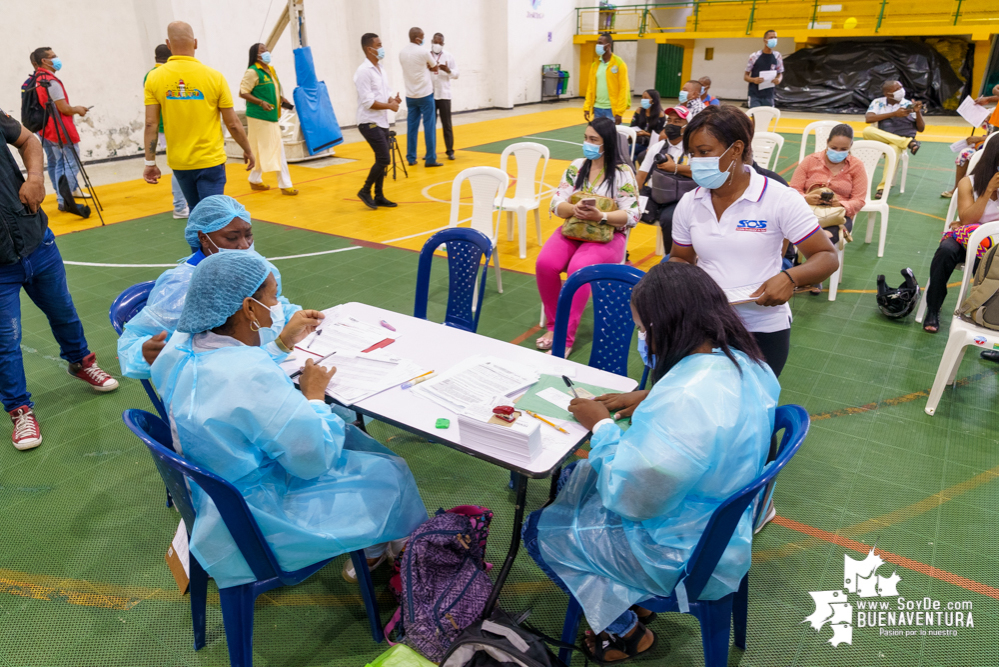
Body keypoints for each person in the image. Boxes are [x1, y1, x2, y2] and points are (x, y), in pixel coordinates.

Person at [523, 261, 779, 663]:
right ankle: (629, 603)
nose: (643, 338)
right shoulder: (749, 363)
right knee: (578, 479)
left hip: (680, 550)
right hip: (721, 526)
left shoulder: (682, 402)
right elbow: (711, 410)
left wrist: (602, 426)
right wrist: (646, 396)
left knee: (541, 530)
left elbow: (632, 498)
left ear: (668, 326)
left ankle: (624, 632)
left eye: (644, 329)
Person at [150, 251, 427, 588]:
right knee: (390, 473)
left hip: (211, 501)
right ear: (250, 308)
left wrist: (281, 344)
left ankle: (380, 546)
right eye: (271, 295)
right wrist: (313, 395)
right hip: (257, 518)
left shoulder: (178, 348)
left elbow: (220, 378)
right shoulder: (249, 374)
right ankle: (398, 556)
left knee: (345, 434)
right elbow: (312, 459)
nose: (278, 303)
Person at [669, 105, 838, 378]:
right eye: (692, 154)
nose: (695, 162)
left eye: (704, 152)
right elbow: (680, 257)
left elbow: (827, 256)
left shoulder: (779, 198)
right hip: (704, 325)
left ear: (735, 150)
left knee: (747, 409)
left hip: (762, 327)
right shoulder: (691, 202)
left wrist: (789, 278)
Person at [0, 108, 118, 451]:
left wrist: (35, 176)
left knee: (63, 311)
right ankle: (20, 410)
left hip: (36, 240)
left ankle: (81, 362)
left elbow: (29, 140)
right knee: (6, 343)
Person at [117, 195, 301, 379]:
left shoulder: (252, 266)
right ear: (204, 238)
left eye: (249, 235)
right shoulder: (180, 287)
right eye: (231, 238)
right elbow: (131, 344)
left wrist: (294, 316)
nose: (244, 245)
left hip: (256, 362)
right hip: (210, 378)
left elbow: (271, 303)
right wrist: (143, 353)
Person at [535, 117, 640, 355]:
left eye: (594, 140)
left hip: (608, 235)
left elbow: (633, 214)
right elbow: (555, 202)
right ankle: (553, 325)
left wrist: (601, 216)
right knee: (545, 263)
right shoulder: (576, 167)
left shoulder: (623, 174)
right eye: (585, 138)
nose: (588, 144)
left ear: (608, 143)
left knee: (578, 269)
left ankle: (565, 337)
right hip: (574, 229)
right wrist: (573, 209)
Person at [143, 21, 256, 211]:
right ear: (195, 43)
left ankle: (199, 241)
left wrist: (150, 162)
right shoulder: (214, 77)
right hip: (210, 160)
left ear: (168, 44)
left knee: (196, 211)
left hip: (180, 162)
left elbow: (150, 124)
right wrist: (247, 149)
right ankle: (212, 241)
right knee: (213, 213)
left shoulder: (154, 78)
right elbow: (233, 123)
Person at [922, 137, 999, 334]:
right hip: (966, 238)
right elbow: (966, 220)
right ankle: (933, 308)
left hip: (994, 245)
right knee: (945, 251)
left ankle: (983, 313)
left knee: (988, 261)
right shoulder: (969, 183)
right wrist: (989, 190)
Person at [789, 124, 868, 293]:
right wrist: (806, 197)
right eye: (833, 148)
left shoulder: (856, 166)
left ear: (851, 146)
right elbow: (793, 189)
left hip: (839, 218)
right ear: (826, 143)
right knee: (795, 230)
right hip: (807, 212)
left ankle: (805, 273)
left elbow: (859, 200)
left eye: (843, 149)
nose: (838, 152)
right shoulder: (810, 161)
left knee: (824, 236)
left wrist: (841, 204)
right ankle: (808, 274)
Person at [31, 46, 90, 211]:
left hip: (46, 128)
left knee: (57, 162)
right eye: (53, 56)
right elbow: (63, 108)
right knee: (70, 161)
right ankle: (65, 199)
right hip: (59, 127)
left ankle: (61, 196)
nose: (57, 59)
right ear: (45, 61)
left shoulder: (37, 79)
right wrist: (77, 109)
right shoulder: (51, 81)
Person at [238, 43, 296, 196]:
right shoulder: (252, 72)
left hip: (271, 115)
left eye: (267, 50)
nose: (266, 52)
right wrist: (260, 102)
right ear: (255, 55)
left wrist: (283, 102)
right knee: (277, 148)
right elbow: (243, 92)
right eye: (262, 50)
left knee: (260, 148)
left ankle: (255, 179)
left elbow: (275, 90)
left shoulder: (270, 70)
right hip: (259, 116)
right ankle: (285, 184)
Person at [354, 33, 401, 210]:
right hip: (368, 122)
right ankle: (365, 190)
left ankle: (379, 195)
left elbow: (383, 93)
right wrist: (389, 107)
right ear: (369, 49)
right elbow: (368, 103)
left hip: (381, 121)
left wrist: (392, 101)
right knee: (384, 158)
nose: (382, 48)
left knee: (381, 158)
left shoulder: (380, 69)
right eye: (379, 45)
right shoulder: (363, 72)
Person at [145, 44, 190, 219]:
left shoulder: (151, 74)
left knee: (180, 166)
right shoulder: (160, 75)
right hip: (168, 126)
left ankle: (181, 206)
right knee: (178, 167)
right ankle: (179, 207)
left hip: (167, 126)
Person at [636, 106, 691, 247]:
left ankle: (672, 260)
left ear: (687, 127)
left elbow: (700, 172)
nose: (671, 125)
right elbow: (641, 175)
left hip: (679, 197)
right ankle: (623, 254)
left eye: (677, 121)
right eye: (669, 120)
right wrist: (632, 197)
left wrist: (675, 168)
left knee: (669, 219)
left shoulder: (693, 148)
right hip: (655, 193)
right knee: (624, 211)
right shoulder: (658, 147)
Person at [863, 80, 924, 197]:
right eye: (896, 89)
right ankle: (908, 142)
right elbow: (869, 119)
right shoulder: (877, 102)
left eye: (901, 87)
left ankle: (883, 188)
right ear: (887, 94)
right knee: (867, 131)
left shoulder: (907, 104)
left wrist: (918, 113)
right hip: (880, 138)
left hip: (896, 140)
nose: (901, 91)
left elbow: (921, 129)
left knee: (894, 148)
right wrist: (893, 114)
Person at [399, 27, 441, 168]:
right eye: (422, 37)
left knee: (411, 127)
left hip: (410, 95)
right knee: (429, 126)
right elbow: (435, 68)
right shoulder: (424, 52)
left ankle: (411, 157)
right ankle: (430, 159)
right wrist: (428, 67)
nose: (423, 39)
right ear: (418, 38)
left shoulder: (402, 53)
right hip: (425, 94)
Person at [583, 33, 630, 125]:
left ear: (608, 46)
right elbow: (590, 88)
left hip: (612, 110)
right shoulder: (595, 65)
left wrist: (619, 112)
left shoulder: (619, 64)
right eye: (597, 43)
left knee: (613, 138)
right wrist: (587, 107)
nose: (597, 46)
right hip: (597, 109)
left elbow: (624, 89)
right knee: (599, 137)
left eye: (600, 43)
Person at [430, 33, 459, 161]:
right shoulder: (426, 55)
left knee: (447, 124)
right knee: (430, 125)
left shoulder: (448, 56)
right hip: (430, 95)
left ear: (443, 44)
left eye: (440, 43)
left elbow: (457, 74)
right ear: (432, 41)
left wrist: (448, 70)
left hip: (444, 95)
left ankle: (450, 151)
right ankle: (430, 152)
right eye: (435, 42)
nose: (437, 45)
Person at [744, 30, 783, 109]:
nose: (774, 40)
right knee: (756, 116)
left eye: (775, 37)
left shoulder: (777, 56)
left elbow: (780, 73)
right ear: (765, 40)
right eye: (771, 38)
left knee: (767, 117)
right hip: (755, 94)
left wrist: (778, 79)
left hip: (769, 94)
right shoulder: (754, 56)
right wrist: (754, 80)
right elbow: (746, 76)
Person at [629, 89, 665, 164]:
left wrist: (645, 133)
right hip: (639, 140)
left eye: (646, 98)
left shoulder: (660, 114)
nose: (643, 100)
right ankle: (633, 171)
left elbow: (660, 135)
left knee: (632, 151)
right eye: (642, 97)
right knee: (631, 153)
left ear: (653, 100)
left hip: (651, 143)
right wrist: (635, 132)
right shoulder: (639, 110)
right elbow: (632, 125)